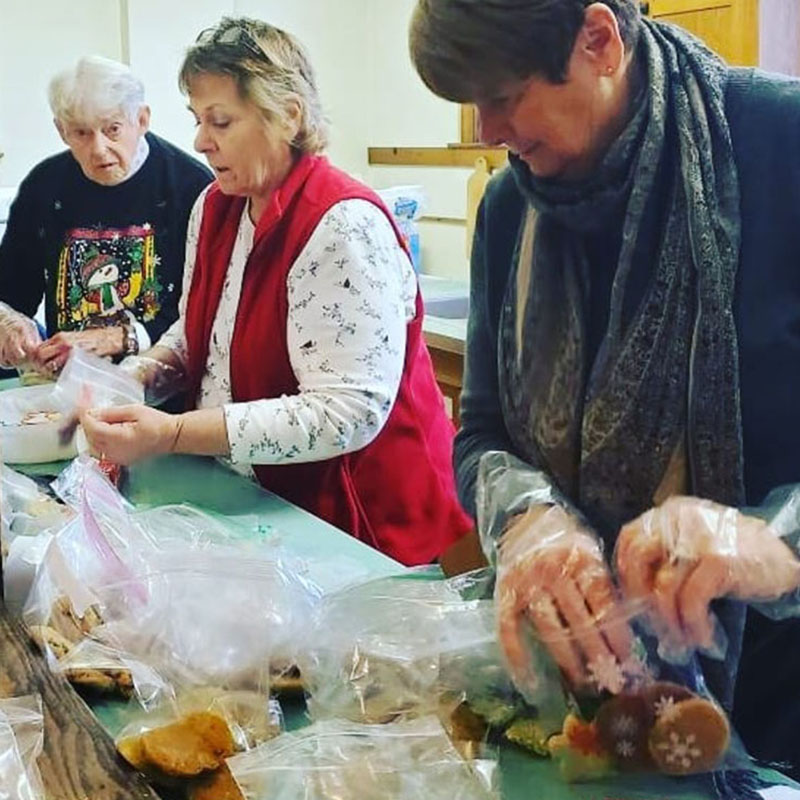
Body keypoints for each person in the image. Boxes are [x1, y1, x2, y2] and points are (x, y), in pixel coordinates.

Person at [410, 0, 800, 776]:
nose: (486, 131)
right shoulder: (509, 209)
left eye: (504, 95)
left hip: (780, 693)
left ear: (598, 39)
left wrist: (777, 544)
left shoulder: (779, 148)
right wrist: (528, 521)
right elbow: (482, 430)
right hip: (589, 696)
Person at [79, 17, 472, 568]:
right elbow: (201, 333)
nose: (199, 140)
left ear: (288, 115)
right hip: (258, 502)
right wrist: (136, 374)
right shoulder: (217, 205)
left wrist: (172, 434)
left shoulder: (342, 225)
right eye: (197, 119)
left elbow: (346, 411)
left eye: (220, 120)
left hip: (363, 526)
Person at [0, 56, 212, 375]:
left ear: (141, 120)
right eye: (81, 133)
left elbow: (206, 312)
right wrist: (9, 321)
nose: (98, 149)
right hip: (69, 386)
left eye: (112, 129)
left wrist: (121, 337)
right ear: (61, 131)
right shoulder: (43, 187)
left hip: (164, 390)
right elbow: (11, 291)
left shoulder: (191, 186)